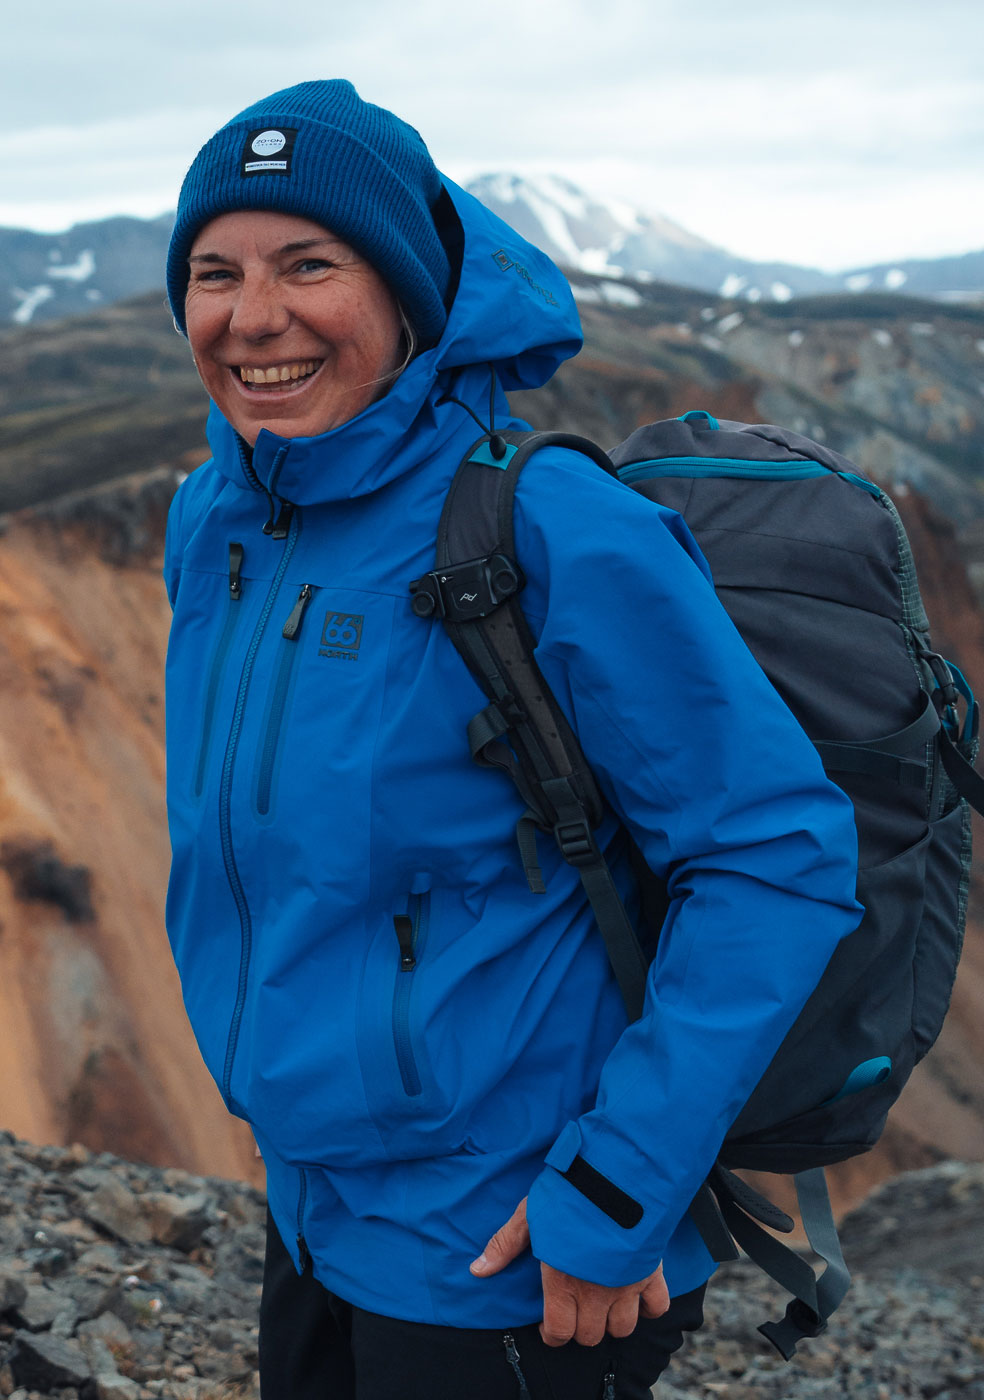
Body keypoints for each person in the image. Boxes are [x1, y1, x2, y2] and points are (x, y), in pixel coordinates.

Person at [162, 80, 862, 1400]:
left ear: (412, 291)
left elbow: (779, 857)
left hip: (519, 1242)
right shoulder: (217, 525)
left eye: (311, 264)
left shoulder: (544, 527)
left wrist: (617, 1186)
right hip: (314, 1207)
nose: (254, 317)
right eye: (215, 272)